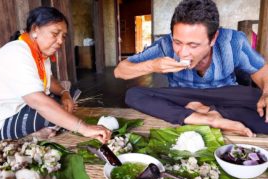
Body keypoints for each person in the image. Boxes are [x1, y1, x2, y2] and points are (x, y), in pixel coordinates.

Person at [114, 0, 268, 137]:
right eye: (178, 42)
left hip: (226, 94)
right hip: (183, 96)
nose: (182, 52)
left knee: (259, 103)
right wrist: (152, 65)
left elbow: (261, 72)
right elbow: (120, 71)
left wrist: (266, 93)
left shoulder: (233, 41)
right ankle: (209, 119)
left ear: (213, 38)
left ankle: (201, 112)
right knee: (134, 94)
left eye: (193, 45)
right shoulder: (165, 44)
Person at [0, 6, 111, 143]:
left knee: (69, 94)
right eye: (55, 34)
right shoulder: (17, 53)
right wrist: (83, 128)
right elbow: (38, 102)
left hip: (15, 106)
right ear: (35, 29)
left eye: (63, 36)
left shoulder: (39, 54)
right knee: (54, 111)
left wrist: (64, 93)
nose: (60, 41)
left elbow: (49, 78)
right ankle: (37, 132)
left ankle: (48, 126)